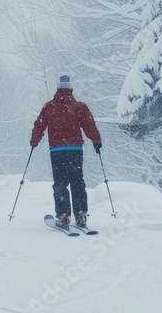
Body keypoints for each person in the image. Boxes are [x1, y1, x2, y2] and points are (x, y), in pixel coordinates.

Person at [30, 73, 103, 229]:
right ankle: (81, 214)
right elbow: (89, 126)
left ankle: (64, 215)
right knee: (77, 181)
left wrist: (34, 140)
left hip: (57, 151)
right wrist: (96, 141)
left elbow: (39, 125)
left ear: (57, 89)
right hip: (75, 150)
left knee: (60, 183)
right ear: (71, 90)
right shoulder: (79, 107)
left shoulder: (49, 107)